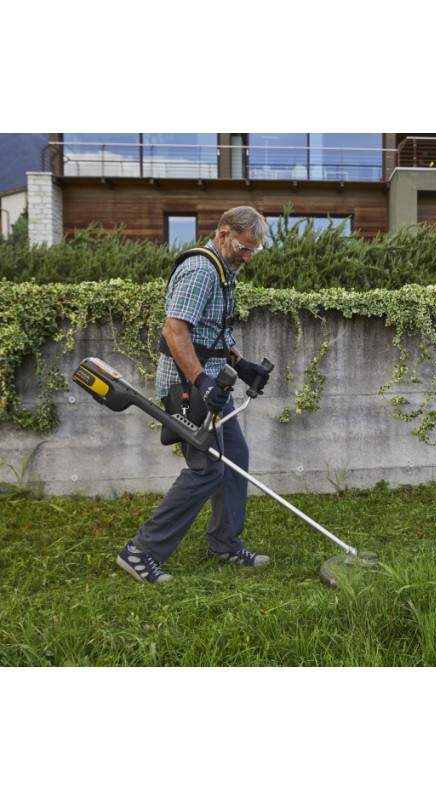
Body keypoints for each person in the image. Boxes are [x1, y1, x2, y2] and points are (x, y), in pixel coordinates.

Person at [116, 206, 272, 583]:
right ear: (223, 234)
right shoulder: (201, 270)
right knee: (207, 468)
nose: (247, 258)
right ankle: (140, 552)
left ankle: (224, 543)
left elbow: (212, 332)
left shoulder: (224, 271)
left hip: (213, 384)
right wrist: (201, 381)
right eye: (243, 248)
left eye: (254, 251)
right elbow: (175, 331)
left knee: (235, 457)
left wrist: (242, 363)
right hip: (188, 387)